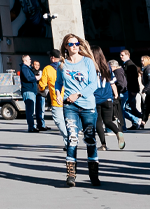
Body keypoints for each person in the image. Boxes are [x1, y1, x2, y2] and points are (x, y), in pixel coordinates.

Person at [54, 34, 104, 187]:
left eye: (76, 43)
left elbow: (93, 85)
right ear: (66, 47)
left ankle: (93, 175)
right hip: (70, 107)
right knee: (72, 138)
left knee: (90, 139)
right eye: (71, 44)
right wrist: (57, 93)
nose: (74, 46)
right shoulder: (62, 64)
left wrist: (78, 94)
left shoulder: (88, 62)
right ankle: (71, 175)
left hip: (87, 106)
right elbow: (58, 82)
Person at [114, 48, 145, 130]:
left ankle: (140, 119)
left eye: (122, 55)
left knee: (128, 108)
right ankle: (138, 120)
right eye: (120, 55)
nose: (121, 56)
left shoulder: (130, 65)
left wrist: (134, 90)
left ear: (127, 55)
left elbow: (133, 79)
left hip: (130, 89)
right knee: (130, 107)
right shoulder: (125, 64)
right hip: (129, 89)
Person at [20, 58, 46, 132]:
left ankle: (34, 126)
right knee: (30, 110)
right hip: (28, 91)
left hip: (31, 91)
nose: (30, 60)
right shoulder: (24, 68)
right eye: (29, 59)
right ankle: (31, 127)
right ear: (25, 61)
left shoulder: (27, 68)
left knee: (32, 110)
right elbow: (28, 78)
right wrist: (36, 77)